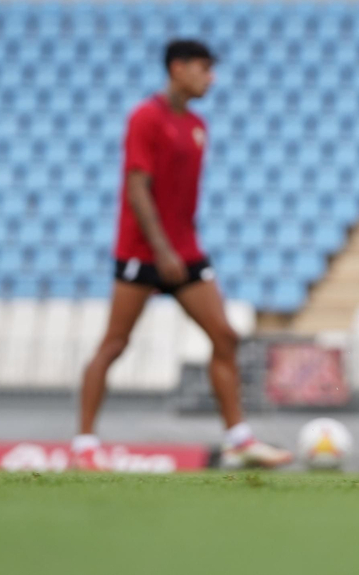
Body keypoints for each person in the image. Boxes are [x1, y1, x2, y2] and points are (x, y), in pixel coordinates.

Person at [74, 39, 292, 471]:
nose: (210, 78)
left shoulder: (197, 126)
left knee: (225, 337)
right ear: (178, 69)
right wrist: (160, 250)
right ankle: (84, 444)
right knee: (114, 345)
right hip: (143, 251)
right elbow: (138, 187)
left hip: (185, 251)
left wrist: (176, 249)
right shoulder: (145, 118)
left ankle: (238, 440)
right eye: (203, 69)